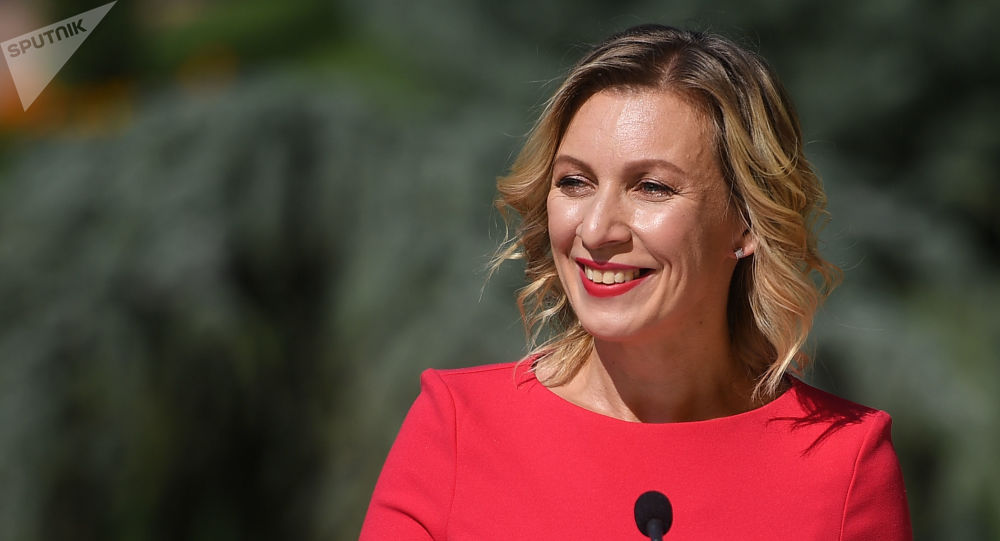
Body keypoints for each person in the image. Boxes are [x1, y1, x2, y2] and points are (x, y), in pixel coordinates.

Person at [360, 24, 912, 540]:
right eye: (574, 182)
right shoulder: (458, 427)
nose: (596, 229)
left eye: (651, 187)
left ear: (746, 222)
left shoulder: (844, 463)